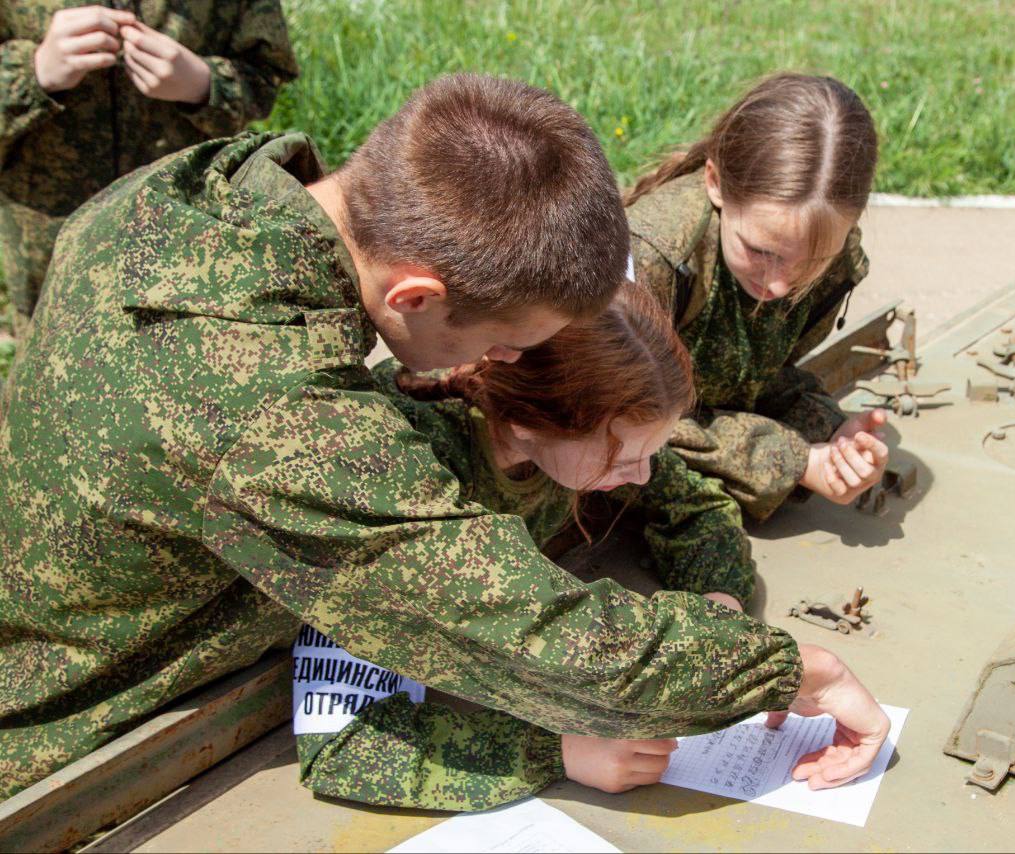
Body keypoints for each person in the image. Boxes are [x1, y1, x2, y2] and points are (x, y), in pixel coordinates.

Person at [0, 73, 888, 799]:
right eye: (504, 343)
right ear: (415, 297)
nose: (498, 367)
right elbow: (531, 627)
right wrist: (791, 672)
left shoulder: (196, 188)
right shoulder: (271, 411)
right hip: (60, 721)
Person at [294, 283, 757, 809]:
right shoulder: (401, 474)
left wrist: (721, 601)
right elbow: (344, 740)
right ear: (528, 423)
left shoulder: (584, 424)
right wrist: (557, 751)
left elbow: (697, 506)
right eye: (624, 459)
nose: (643, 474)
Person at [625, 73, 890, 523]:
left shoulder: (836, 256)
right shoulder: (650, 261)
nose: (781, 285)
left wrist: (830, 434)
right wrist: (795, 461)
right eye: (760, 252)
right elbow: (615, 421)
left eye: (812, 261)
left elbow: (753, 375)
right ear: (715, 183)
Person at [0, 1, 298, 339]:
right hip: (48, 252)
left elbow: (265, 75)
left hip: (186, 236)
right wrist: (32, 73)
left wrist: (204, 83)